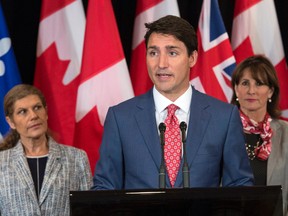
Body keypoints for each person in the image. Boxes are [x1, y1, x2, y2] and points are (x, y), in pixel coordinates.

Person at [92, 15, 253, 190]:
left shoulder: (223, 117)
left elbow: (240, 186)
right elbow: (104, 188)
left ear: (192, 58)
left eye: (172, 53)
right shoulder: (120, 118)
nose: (161, 63)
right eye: (153, 53)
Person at [0, 84, 92, 215]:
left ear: (46, 112)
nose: (33, 116)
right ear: (11, 122)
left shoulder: (76, 158)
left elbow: (87, 211)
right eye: (23, 111)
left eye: (37, 108)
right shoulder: (1, 162)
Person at [231, 55, 288, 215]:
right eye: (245, 83)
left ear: (270, 91)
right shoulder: (222, 130)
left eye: (259, 83)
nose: (251, 91)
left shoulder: (286, 133)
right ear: (236, 89)